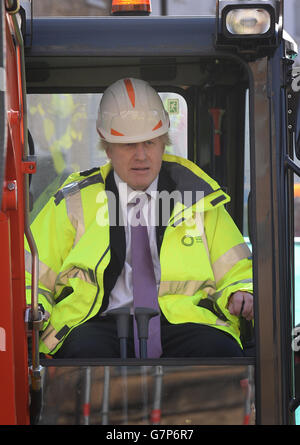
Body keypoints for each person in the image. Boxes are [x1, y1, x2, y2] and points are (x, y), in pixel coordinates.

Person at [25, 78, 253, 359]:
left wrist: (241, 291)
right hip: (96, 320)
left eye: (150, 143)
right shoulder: (72, 200)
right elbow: (30, 272)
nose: (141, 156)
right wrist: (32, 306)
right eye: (128, 145)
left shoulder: (200, 196)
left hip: (182, 320)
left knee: (219, 352)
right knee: (80, 357)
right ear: (107, 148)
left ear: (163, 144)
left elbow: (238, 269)